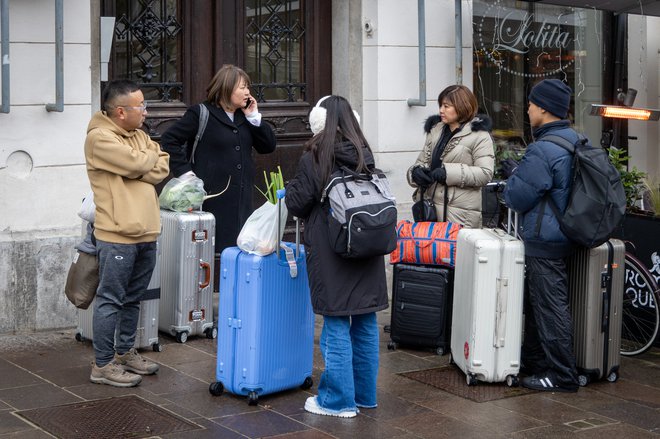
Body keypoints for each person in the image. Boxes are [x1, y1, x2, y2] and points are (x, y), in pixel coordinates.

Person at [285, 95, 388, 418]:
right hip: (367, 248)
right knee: (366, 321)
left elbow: (298, 203)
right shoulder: (364, 152)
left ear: (320, 122)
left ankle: (338, 401)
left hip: (332, 250)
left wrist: (291, 189)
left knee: (337, 323)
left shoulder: (316, 155)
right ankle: (365, 396)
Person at [84, 79, 170, 387]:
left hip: (147, 231)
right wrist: (141, 163)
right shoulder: (100, 139)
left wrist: (140, 164)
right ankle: (103, 364)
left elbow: (162, 165)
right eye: (141, 106)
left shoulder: (139, 135)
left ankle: (124, 352)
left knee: (133, 298)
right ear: (121, 112)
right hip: (117, 233)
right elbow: (140, 162)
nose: (146, 112)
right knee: (111, 299)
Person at [503, 78, 580, 393]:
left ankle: (562, 376)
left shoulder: (544, 149)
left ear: (545, 109)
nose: (529, 108)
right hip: (566, 234)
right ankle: (536, 362)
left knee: (549, 307)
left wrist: (513, 176)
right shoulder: (574, 139)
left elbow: (517, 197)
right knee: (539, 304)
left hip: (545, 239)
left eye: (532, 104)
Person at [160, 64, 277, 253]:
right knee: (210, 251)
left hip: (241, 199)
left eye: (248, 87)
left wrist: (254, 117)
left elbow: (268, 146)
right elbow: (170, 139)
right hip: (211, 200)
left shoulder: (245, 117)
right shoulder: (200, 113)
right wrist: (185, 173)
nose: (247, 92)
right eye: (242, 87)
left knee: (238, 249)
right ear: (225, 88)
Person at [407, 84, 495, 228]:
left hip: (459, 216)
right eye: (441, 105)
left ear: (462, 107)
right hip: (430, 212)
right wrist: (415, 173)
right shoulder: (436, 130)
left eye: (446, 106)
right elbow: (421, 162)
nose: (441, 110)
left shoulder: (480, 136)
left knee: (455, 251)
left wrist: (448, 173)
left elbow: (485, 173)